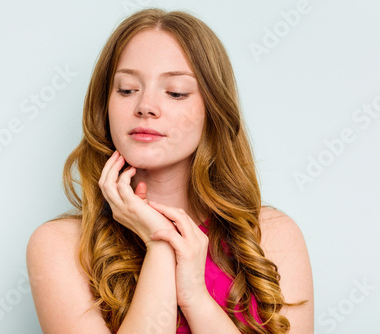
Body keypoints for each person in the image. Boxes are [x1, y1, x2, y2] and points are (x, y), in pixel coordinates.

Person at [26, 7, 313, 334]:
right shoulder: (59, 245)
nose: (145, 106)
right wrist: (160, 245)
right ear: (104, 106)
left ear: (213, 110)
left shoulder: (273, 234)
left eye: (175, 92)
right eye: (126, 89)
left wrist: (195, 297)